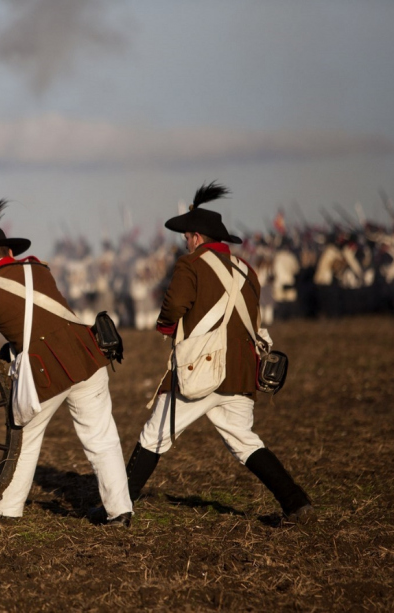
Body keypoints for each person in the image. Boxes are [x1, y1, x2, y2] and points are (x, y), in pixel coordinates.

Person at [125, 182, 314, 524]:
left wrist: (166, 327)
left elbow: (172, 310)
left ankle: (116, 509)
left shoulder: (190, 265)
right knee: (245, 442)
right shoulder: (246, 269)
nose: (185, 241)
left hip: (202, 370)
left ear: (196, 237)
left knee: (153, 436)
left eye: (187, 236)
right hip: (242, 372)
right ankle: (296, 503)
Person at [0, 200, 133, 526]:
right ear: (9, 250)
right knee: (102, 439)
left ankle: (8, 512)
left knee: (23, 438)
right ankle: (120, 512)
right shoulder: (39, 270)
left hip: (47, 372)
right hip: (87, 357)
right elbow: (42, 323)